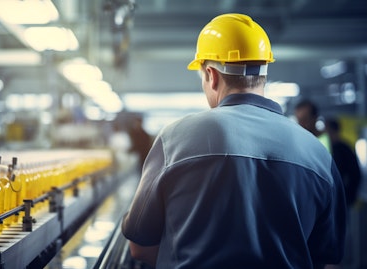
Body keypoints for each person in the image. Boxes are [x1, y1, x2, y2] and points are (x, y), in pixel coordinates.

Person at [121, 13, 346, 269]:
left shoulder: (173, 140)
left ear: (211, 75)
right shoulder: (317, 153)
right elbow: (327, 258)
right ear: (263, 74)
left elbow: (139, 246)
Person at [324, 118, 361, 207]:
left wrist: (348, 195)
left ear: (333, 130)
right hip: (339, 196)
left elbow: (354, 173)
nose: (325, 134)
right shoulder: (333, 148)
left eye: (327, 130)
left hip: (343, 197)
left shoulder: (343, 149)